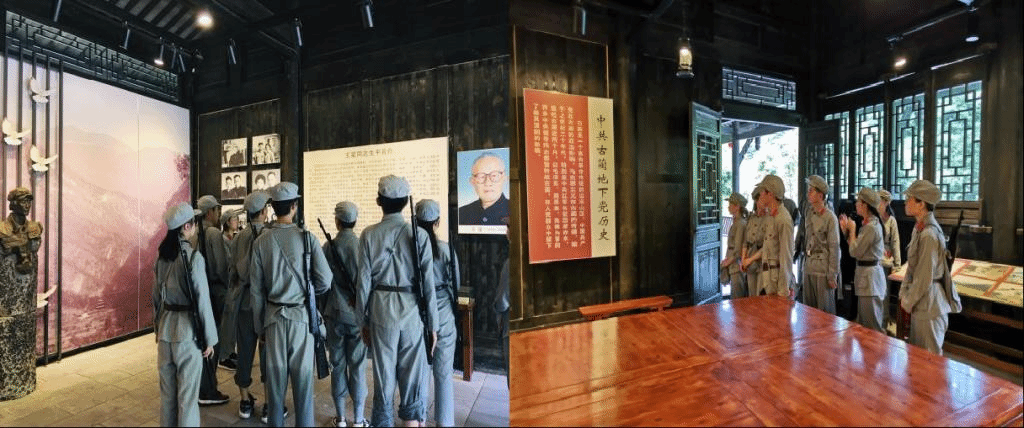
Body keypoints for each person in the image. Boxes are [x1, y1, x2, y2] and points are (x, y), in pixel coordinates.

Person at [357, 175, 438, 427]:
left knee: (383, 380)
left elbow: (363, 284)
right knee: (412, 381)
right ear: (405, 202)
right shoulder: (420, 235)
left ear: (379, 201)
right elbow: (428, 286)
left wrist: (362, 321)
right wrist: (433, 325)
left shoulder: (368, 235)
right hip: (412, 313)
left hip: (381, 312)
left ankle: (382, 419)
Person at [250, 182, 332, 427]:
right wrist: (309, 293)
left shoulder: (261, 242)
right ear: (294, 206)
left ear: (273, 208)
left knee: (274, 388)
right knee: (303, 387)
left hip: (273, 319)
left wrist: (260, 328)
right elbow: (326, 280)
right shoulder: (308, 239)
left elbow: (256, 291)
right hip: (301, 319)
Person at [154, 202, 218, 427]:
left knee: (167, 399)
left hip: (165, 331)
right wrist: (209, 339)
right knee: (188, 400)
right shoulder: (193, 258)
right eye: (194, 224)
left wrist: (157, 329)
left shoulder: (162, 258)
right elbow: (202, 301)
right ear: (187, 227)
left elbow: (156, 298)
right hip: (187, 333)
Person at [221, 191, 280, 421]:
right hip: (265, 304)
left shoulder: (238, 238)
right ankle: (268, 404)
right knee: (268, 354)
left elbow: (232, 272)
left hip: (244, 303)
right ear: (264, 212)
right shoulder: (270, 236)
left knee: (244, 352)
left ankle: (245, 401)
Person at [899, 180, 961, 355]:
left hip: (930, 306)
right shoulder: (919, 229)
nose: (906, 202)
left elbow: (924, 278)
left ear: (921, 204)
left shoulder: (929, 234)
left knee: (929, 362)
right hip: (921, 303)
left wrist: (907, 301)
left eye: (910, 198)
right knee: (917, 360)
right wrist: (904, 294)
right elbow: (912, 268)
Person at [322, 201, 370, 428]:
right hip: (357, 316)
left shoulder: (327, 246)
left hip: (334, 313)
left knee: (337, 364)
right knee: (358, 366)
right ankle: (359, 419)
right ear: (355, 221)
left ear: (337, 221)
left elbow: (322, 281)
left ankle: (341, 417)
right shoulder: (361, 246)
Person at [415, 199, 460, 427]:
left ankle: (419, 419)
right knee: (443, 374)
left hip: (418, 314)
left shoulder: (412, 249)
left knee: (420, 373)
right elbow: (455, 284)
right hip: (444, 313)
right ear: (437, 222)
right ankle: (445, 422)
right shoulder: (445, 249)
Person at [195, 195, 230, 405]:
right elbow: (220, 267)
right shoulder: (213, 233)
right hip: (214, 292)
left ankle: (202, 385)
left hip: (199, 293)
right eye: (217, 210)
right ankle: (208, 389)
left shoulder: (193, 233)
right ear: (210, 212)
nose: (219, 214)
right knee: (213, 340)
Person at [839, 187, 887, 334]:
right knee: (864, 324)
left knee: (871, 327)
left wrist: (852, 230)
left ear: (865, 205)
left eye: (858, 201)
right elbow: (855, 247)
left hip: (870, 281)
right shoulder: (868, 225)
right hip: (865, 278)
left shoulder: (871, 227)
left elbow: (854, 252)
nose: (856, 204)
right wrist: (847, 232)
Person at [800, 175, 841, 314]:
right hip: (809, 266)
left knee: (825, 312)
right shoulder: (809, 214)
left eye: (811, 190)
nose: (808, 193)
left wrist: (832, 275)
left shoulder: (830, 218)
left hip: (823, 269)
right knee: (808, 311)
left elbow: (834, 248)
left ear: (820, 195)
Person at [754, 175, 795, 298]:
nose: (760, 194)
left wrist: (783, 291)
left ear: (770, 194)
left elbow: (786, 257)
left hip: (776, 284)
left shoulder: (783, 219)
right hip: (767, 280)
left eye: (762, 191)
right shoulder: (771, 216)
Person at [458, 153, 510, 226]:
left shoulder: (516, 210)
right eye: (481, 176)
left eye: (494, 175)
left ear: (505, 178)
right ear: (472, 181)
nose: (488, 183)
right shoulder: (461, 213)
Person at [721, 193, 748, 298]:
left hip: (736, 265)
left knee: (737, 299)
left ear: (737, 206)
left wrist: (728, 262)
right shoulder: (736, 222)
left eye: (731, 204)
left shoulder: (740, 224)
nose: (728, 207)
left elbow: (738, 248)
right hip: (733, 263)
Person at [740, 186, 765, 295]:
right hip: (749, 261)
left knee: (760, 295)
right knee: (752, 295)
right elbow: (745, 241)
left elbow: (766, 246)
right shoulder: (751, 218)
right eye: (758, 200)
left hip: (761, 263)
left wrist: (749, 260)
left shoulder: (769, 219)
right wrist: (743, 260)